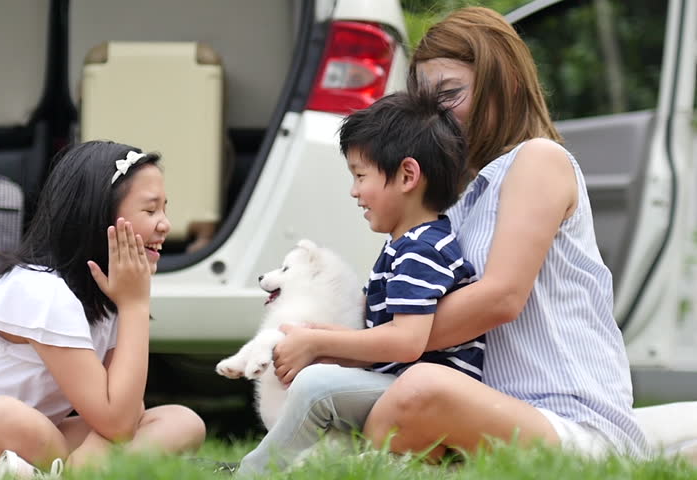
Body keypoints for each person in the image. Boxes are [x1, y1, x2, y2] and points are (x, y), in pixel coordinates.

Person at [351, 6, 648, 461]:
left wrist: (363, 345)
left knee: (421, 389)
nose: (436, 115)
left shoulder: (538, 160)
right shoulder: (451, 198)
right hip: (489, 415)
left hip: (570, 421)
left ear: (504, 85)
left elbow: (501, 298)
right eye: (423, 100)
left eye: (449, 94)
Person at [0, 141, 206, 477]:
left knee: (181, 422)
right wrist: (134, 306)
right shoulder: (41, 290)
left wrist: (130, 305)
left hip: (38, 436)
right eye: (150, 210)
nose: (165, 225)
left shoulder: (110, 293)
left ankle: (64, 472)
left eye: (164, 209)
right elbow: (116, 422)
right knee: (13, 420)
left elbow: (125, 413)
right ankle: (82, 472)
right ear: (97, 216)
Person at [237, 88, 484, 476]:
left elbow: (407, 340)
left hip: (427, 396)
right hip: (402, 384)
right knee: (316, 376)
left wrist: (321, 343)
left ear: (407, 175)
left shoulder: (423, 250)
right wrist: (316, 339)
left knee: (317, 385)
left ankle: (254, 471)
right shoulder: (404, 246)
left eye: (360, 176)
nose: (354, 191)